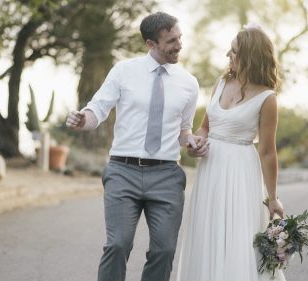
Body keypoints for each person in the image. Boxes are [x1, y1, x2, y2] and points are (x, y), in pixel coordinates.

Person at [65, 12, 209, 281]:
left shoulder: (189, 83)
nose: (179, 45)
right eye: (171, 41)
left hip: (166, 175)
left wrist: (190, 141)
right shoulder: (123, 71)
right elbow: (98, 109)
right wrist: (83, 118)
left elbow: (183, 130)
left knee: (164, 250)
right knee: (118, 244)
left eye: (180, 38)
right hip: (123, 171)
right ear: (150, 44)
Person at [176, 24, 286, 281]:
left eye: (234, 51)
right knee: (208, 233)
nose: (228, 55)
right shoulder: (221, 83)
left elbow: (268, 151)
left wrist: (273, 198)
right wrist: (195, 144)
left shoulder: (267, 98)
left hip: (241, 173)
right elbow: (204, 127)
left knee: (238, 237)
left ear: (250, 56)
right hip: (210, 172)